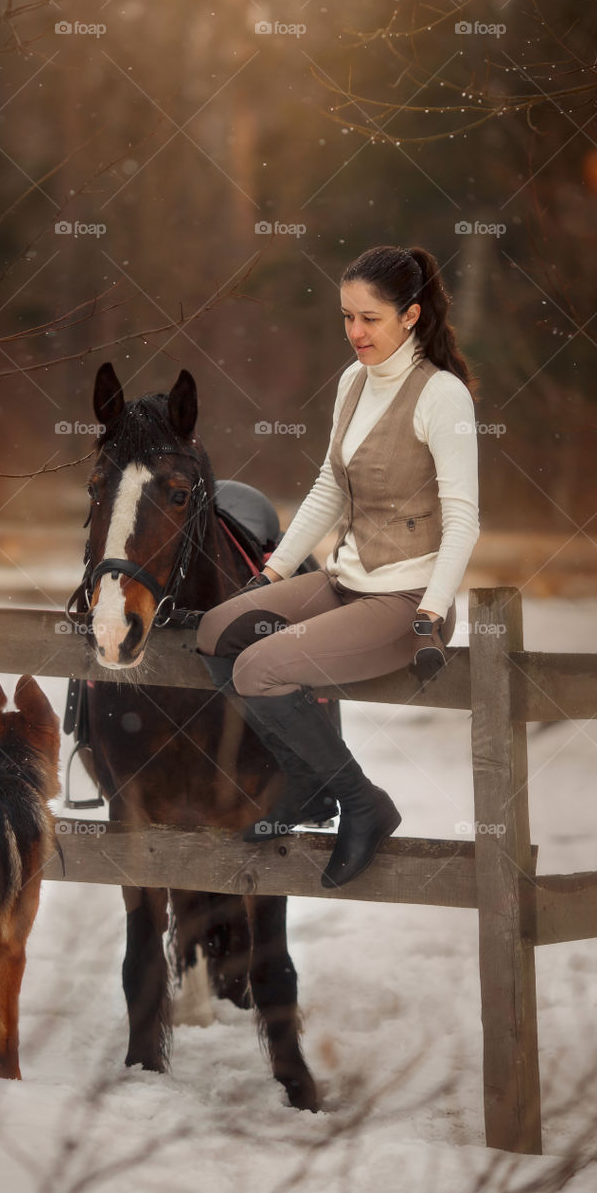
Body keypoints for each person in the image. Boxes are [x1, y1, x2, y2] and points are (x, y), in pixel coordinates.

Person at [196, 245, 480, 889]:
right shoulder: (353, 382)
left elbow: (465, 519)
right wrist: (275, 572)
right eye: (347, 317)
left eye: (370, 319)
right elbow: (329, 484)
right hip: (342, 582)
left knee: (260, 668)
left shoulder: (442, 397)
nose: (355, 333)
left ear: (410, 316)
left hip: (405, 600)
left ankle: (361, 803)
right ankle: (308, 784)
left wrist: (431, 612)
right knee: (218, 632)